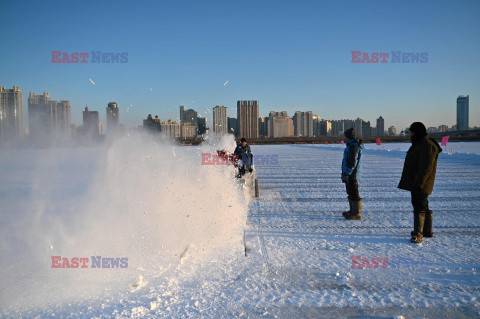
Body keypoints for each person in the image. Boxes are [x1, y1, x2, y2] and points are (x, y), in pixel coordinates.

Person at [398, 122, 442, 243]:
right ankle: (426, 230)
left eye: (412, 132)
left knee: (419, 205)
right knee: (422, 204)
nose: (411, 135)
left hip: (421, 182)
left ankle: (419, 234)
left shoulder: (427, 145)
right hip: (417, 181)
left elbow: (426, 168)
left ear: (418, 133)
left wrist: (419, 183)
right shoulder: (420, 143)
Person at [341, 128, 364, 220]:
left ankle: (357, 214)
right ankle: (352, 211)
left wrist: (346, 173)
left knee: (354, 192)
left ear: (348, 136)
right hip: (351, 173)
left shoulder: (353, 146)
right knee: (350, 191)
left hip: (352, 174)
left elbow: (352, 162)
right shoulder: (351, 145)